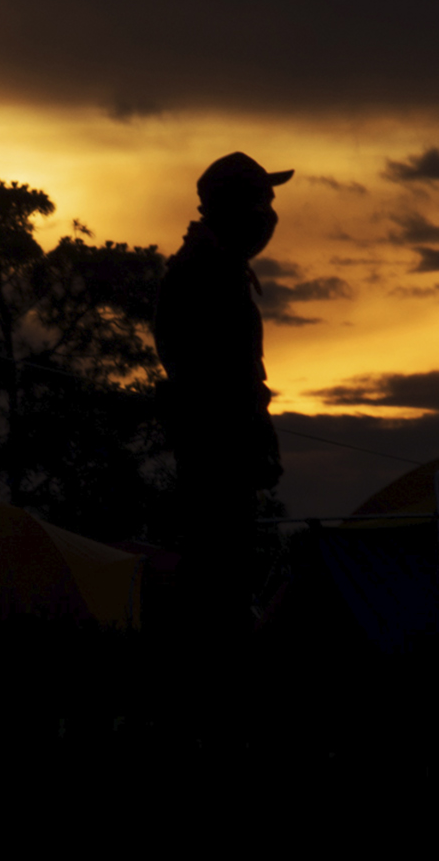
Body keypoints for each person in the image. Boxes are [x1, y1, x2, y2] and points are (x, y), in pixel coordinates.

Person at [152, 151, 292, 637]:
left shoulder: (219, 267)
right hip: (217, 450)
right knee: (217, 572)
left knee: (226, 570)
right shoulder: (201, 273)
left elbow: (240, 374)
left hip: (226, 448)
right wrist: (245, 436)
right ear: (236, 207)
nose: (271, 214)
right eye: (263, 201)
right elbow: (215, 374)